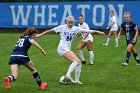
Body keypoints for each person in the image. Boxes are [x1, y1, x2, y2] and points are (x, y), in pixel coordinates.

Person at [36, 16, 105, 84]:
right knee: (75, 61)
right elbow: (49, 30)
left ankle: (77, 81)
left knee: (79, 63)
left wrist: (98, 32)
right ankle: (68, 75)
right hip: (62, 48)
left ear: (73, 22)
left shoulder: (76, 29)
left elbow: (88, 31)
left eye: (72, 23)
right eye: (69, 23)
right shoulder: (62, 27)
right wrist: (40, 35)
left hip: (67, 48)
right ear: (67, 22)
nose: (70, 24)